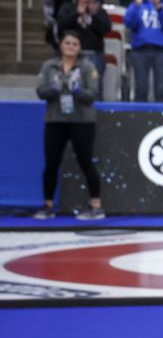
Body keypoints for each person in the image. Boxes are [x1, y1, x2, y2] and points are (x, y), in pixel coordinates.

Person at [33, 31, 105, 221]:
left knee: (86, 162)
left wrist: (77, 91)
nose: (71, 46)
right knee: (51, 163)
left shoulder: (88, 67)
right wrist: (55, 89)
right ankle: (47, 205)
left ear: (80, 48)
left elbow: (93, 95)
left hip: (82, 121)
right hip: (55, 120)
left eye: (75, 44)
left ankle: (96, 205)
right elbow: (40, 91)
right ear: (61, 45)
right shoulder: (49, 66)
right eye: (67, 43)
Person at [124, 0, 163, 102]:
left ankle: (162, 116)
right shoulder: (136, 5)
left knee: (161, 88)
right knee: (141, 87)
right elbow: (129, 24)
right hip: (140, 50)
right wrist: (136, 6)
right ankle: (138, 117)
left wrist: (159, 8)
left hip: (161, 51)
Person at [55, 0, 112, 92]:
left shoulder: (98, 10)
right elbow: (61, 26)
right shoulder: (68, 8)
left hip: (94, 55)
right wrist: (77, 14)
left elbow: (106, 29)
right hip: (71, 55)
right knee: (68, 88)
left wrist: (93, 16)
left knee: (95, 88)